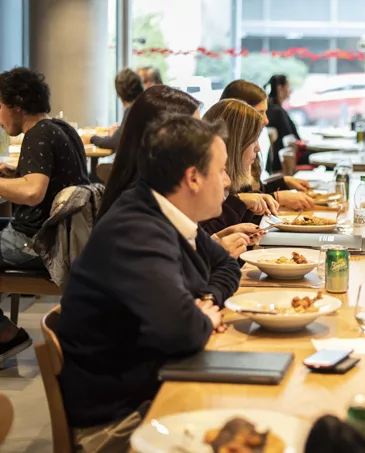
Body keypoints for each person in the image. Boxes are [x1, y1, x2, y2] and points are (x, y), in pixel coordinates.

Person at [57, 115, 241, 452]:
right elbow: (182, 331)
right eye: (222, 170)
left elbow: (228, 265)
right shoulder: (137, 229)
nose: (228, 180)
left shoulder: (167, 213)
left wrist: (206, 301)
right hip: (118, 419)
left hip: (157, 381)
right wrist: (198, 318)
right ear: (193, 178)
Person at [0, 67, 90, 363]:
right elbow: (49, 182)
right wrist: (15, 173)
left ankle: (5, 335)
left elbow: (33, 192)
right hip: (59, 234)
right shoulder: (60, 129)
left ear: (16, 104)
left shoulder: (37, 135)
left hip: (38, 241)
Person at [97, 85, 250, 257]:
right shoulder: (141, 213)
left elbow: (187, 252)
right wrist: (218, 256)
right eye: (194, 130)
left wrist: (216, 241)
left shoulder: (160, 194)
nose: (203, 140)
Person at [220, 79, 315, 211]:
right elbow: (235, 206)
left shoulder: (246, 145)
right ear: (240, 113)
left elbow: (252, 192)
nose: (266, 120)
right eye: (260, 113)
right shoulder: (224, 151)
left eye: (266, 112)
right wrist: (277, 197)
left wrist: (282, 182)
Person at [199, 99, 280, 245]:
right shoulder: (202, 183)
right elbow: (202, 239)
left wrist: (251, 204)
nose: (258, 148)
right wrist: (238, 202)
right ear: (236, 144)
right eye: (253, 140)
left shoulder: (235, 178)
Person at [90, 68, 145, 150]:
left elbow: (114, 142)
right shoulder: (144, 105)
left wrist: (92, 138)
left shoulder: (133, 110)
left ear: (120, 93)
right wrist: (118, 132)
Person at [263, 74, 303, 173]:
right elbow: (290, 139)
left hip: (280, 158)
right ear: (280, 88)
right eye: (288, 86)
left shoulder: (272, 108)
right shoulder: (278, 111)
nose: (290, 90)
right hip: (285, 159)